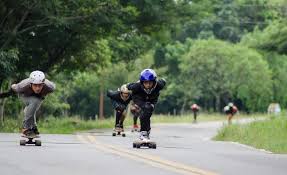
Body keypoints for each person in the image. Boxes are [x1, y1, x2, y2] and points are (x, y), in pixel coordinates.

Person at [11, 70, 56, 136]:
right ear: (30, 84)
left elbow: (53, 86)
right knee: (33, 102)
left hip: (39, 97)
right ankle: (26, 128)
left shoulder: (50, 87)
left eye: (40, 85)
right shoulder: (23, 85)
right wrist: (13, 86)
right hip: (24, 96)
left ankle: (33, 127)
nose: (37, 88)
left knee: (32, 108)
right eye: (35, 85)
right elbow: (14, 87)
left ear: (43, 84)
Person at [127, 68, 166, 140]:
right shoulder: (137, 86)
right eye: (145, 83)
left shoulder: (159, 85)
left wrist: (163, 80)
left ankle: (147, 130)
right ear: (142, 82)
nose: (148, 85)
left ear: (154, 82)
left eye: (150, 83)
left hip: (152, 100)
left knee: (147, 113)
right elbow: (129, 86)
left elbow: (163, 81)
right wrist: (128, 85)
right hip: (139, 99)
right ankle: (143, 132)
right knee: (145, 110)